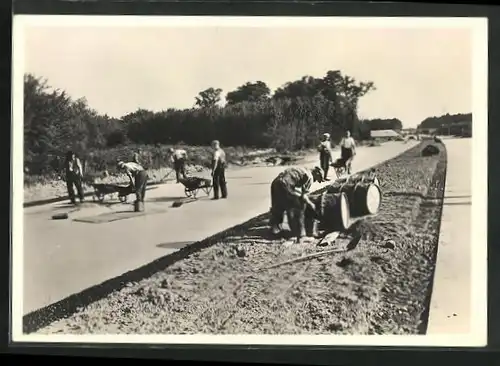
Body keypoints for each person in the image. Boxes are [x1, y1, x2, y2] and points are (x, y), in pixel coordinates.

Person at [269, 166, 325, 242]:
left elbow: (297, 189)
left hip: (276, 182)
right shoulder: (310, 176)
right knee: (294, 207)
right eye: (318, 178)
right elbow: (304, 196)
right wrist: (311, 204)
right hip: (285, 184)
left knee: (278, 206)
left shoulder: (303, 169)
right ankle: (297, 234)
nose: (316, 181)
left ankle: (274, 230)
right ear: (317, 173)